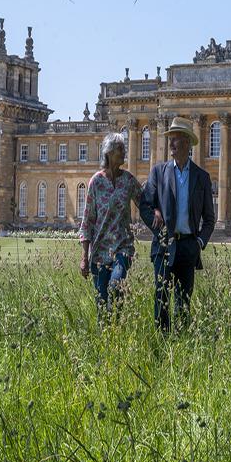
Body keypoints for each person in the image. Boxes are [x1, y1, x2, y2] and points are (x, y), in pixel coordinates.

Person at [140, 116, 216, 332]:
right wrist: (158, 227)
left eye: (175, 138)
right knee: (161, 299)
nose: (171, 143)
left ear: (187, 142)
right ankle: (161, 342)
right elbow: (145, 205)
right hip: (164, 245)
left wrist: (199, 242)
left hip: (188, 246)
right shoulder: (158, 172)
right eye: (170, 138)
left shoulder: (202, 177)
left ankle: (181, 341)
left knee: (184, 303)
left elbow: (209, 218)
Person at [79, 132, 144, 322]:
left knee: (116, 285)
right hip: (99, 251)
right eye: (120, 149)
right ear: (109, 152)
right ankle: (108, 333)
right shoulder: (96, 182)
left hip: (123, 248)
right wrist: (84, 258)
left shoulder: (128, 180)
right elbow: (88, 220)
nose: (124, 152)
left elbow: (145, 203)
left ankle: (117, 322)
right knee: (101, 303)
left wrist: (157, 214)